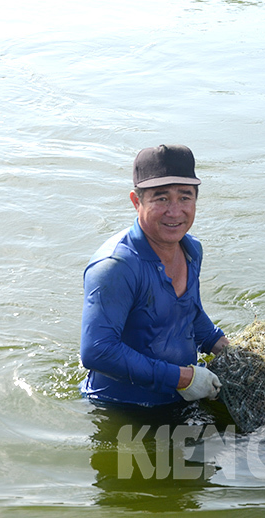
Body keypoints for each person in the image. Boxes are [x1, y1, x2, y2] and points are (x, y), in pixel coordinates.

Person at [79, 144, 229, 406]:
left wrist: (224, 347)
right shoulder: (115, 267)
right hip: (122, 409)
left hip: (183, 397)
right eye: (161, 198)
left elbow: (189, 314)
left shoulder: (192, 249)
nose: (174, 211)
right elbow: (97, 351)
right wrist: (183, 379)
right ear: (136, 201)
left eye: (185, 197)